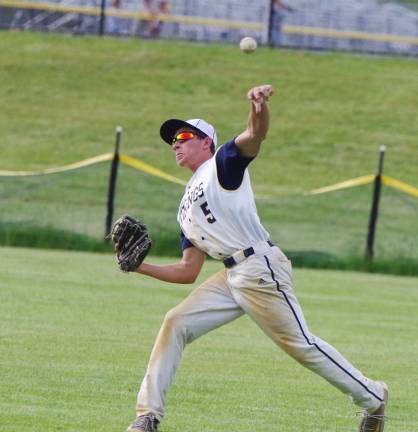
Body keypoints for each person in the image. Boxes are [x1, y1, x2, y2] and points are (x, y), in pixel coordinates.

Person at [125, 85, 388, 432]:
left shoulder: (222, 164)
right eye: (172, 138)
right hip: (231, 278)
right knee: (175, 322)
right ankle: (148, 416)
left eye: (185, 135)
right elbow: (188, 271)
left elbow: (255, 135)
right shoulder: (185, 210)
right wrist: (139, 266)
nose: (176, 142)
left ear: (206, 142)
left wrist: (258, 107)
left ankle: (373, 397)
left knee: (301, 345)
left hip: (259, 267)